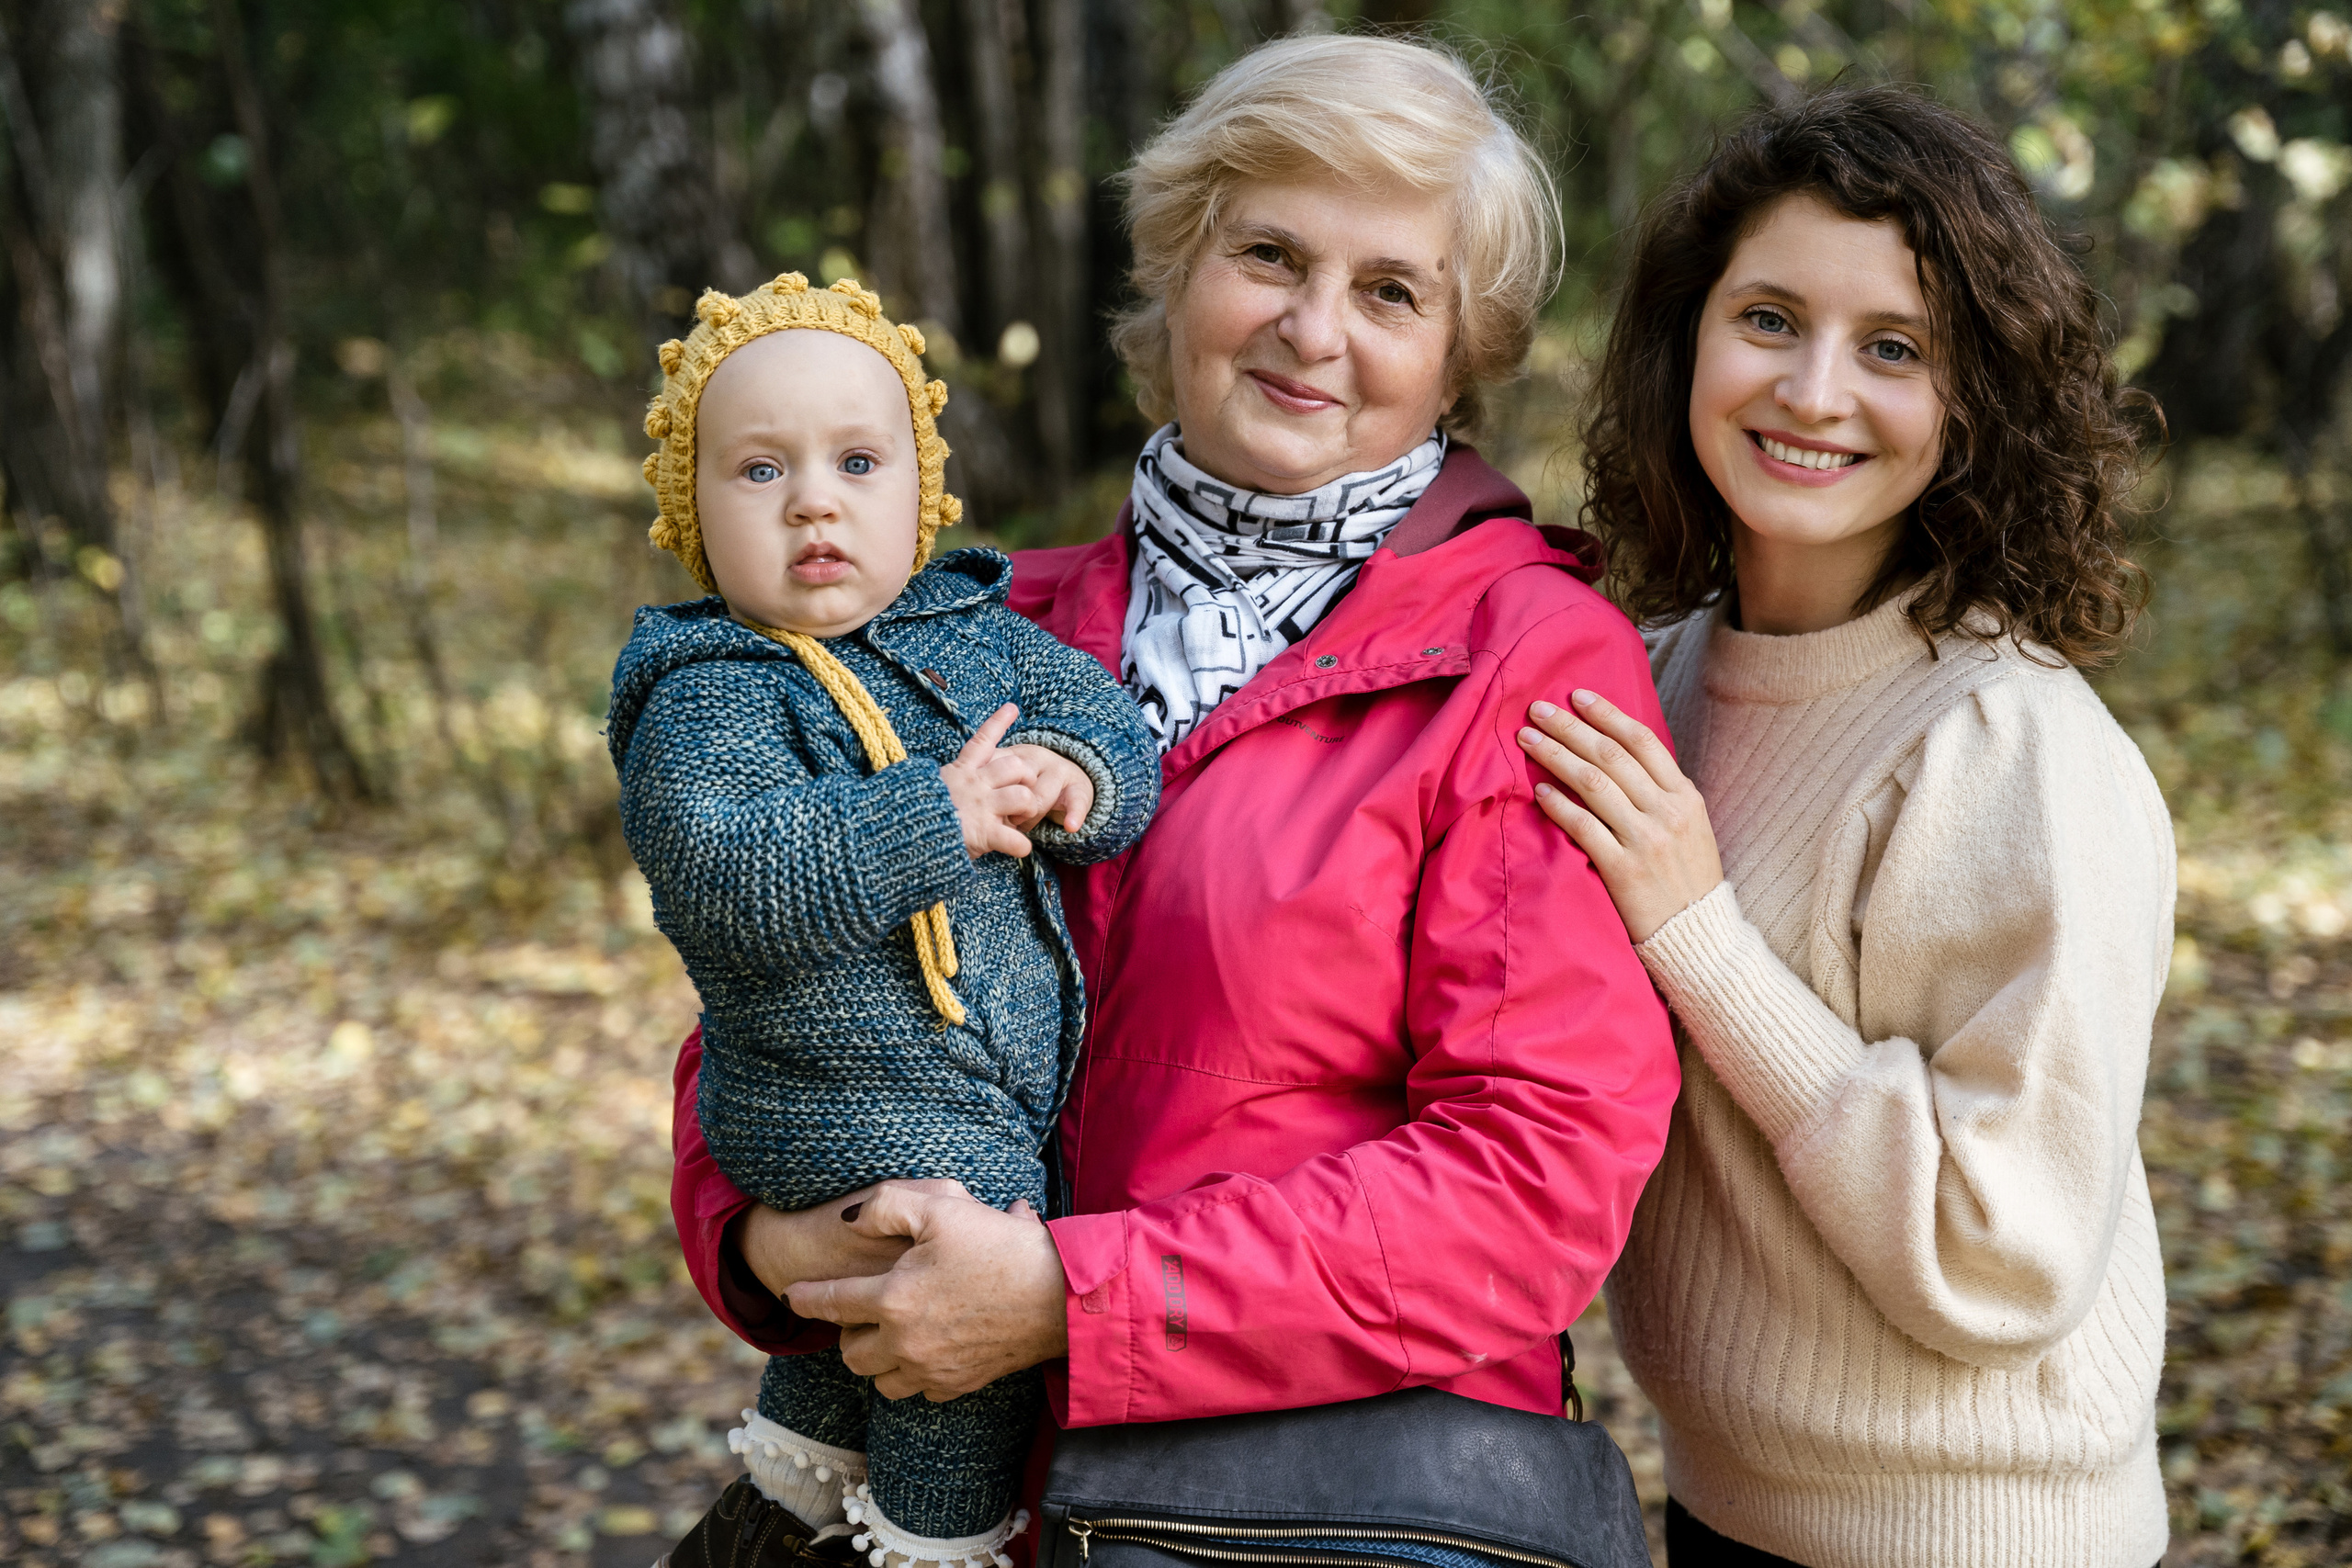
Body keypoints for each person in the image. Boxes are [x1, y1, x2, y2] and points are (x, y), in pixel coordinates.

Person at [663, 31, 1681, 1553]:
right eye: (1268, 252)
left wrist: (1070, 1302)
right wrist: (762, 1237)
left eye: (1391, 291)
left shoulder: (1523, 660)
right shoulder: (975, 620)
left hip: (1324, 1509)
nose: (1313, 329)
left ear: (1464, 352)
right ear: (1179, 265)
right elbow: (770, 966)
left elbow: (1530, 1185)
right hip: (964, 1495)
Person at [1517, 86, 2171, 1568]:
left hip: (1980, 1533)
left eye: (1894, 349)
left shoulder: (2010, 747)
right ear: (1690, 338)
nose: (1813, 392)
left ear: (1972, 401)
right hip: (1727, 1504)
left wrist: (1702, 938)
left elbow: (2007, 1251)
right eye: (1767, 318)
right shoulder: (1660, 674)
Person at [606, 274, 1159, 1568]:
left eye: (859, 460)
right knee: (951, 1327)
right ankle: (935, 1539)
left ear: (924, 494)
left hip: (967, 1092)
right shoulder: (706, 692)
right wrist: (937, 816)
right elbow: (729, 879)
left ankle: (789, 1508)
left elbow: (1110, 725)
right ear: (691, 511)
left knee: (848, 1379)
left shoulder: (974, 630)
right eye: (758, 470)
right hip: (830, 1107)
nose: (814, 500)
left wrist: (1076, 778)